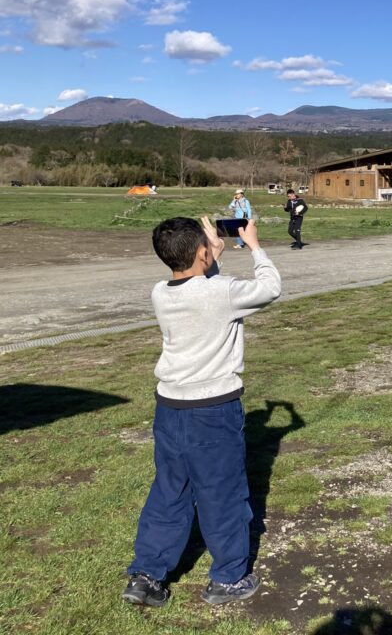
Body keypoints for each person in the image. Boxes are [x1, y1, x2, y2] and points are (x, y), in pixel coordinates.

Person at [122, 215, 281, 608]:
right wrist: (254, 245)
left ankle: (147, 576)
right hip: (213, 412)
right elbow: (270, 287)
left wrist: (213, 255)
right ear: (200, 252)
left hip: (170, 409)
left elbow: (205, 292)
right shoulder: (220, 291)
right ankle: (228, 578)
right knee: (222, 493)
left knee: (169, 490)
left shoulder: (161, 292)